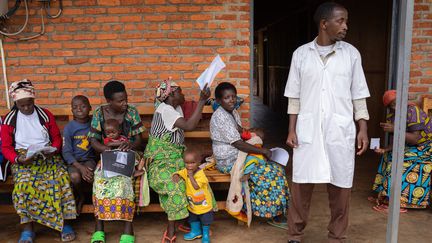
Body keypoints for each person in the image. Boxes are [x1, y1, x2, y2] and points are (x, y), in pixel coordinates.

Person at [284, 2, 370, 242]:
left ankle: (337, 236)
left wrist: (362, 127)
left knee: (340, 184)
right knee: (302, 183)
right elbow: (294, 95)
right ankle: (295, 234)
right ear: (324, 24)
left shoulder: (351, 54)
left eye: (346, 21)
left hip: (339, 129)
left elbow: (359, 94)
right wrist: (291, 129)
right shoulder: (301, 54)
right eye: (340, 21)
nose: (345, 26)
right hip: (307, 128)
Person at [1, 79, 76, 242]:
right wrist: (18, 158)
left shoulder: (45, 114)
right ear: (16, 103)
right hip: (23, 159)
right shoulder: (9, 120)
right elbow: (6, 147)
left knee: (61, 179)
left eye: (29, 104)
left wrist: (54, 149)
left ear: (34, 100)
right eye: (22, 105)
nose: (27, 108)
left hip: (47, 155)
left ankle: (65, 224)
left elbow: (56, 138)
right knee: (22, 185)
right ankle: (28, 229)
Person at [210, 82, 289, 228]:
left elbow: (239, 131)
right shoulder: (220, 116)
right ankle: (270, 213)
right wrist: (263, 151)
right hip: (228, 159)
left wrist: (252, 133)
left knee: (276, 170)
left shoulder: (232, 112)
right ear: (219, 101)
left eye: (233, 96)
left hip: (238, 155)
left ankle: (276, 211)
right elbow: (237, 143)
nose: (232, 100)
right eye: (227, 97)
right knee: (270, 172)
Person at [144, 79, 210, 243]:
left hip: (176, 159)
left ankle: (191, 221)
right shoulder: (166, 109)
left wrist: (206, 101)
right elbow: (188, 126)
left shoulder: (174, 107)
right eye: (180, 91)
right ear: (172, 94)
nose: (183, 94)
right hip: (160, 162)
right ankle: (172, 227)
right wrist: (202, 100)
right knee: (174, 182)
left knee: (197, 178)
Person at [88, 80, 145, 243]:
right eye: (120, 101)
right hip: (107, 155)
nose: (125, 103)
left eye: (125, 99)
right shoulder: (99, 113)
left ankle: (128, 230)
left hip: (129, 154)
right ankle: (99, 230)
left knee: (124, 180)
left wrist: (129, 144)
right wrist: (108, 150)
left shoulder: (131, 112)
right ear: (109, 101)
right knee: (99, 179)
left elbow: (139, 139)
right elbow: (93, 141)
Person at [371, 90, 432, 212]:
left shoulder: (412, 111)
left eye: (396, 103)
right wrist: (385, 149)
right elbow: (398, 138)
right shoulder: (393, 115)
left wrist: (395, 128)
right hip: (412, 147)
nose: (394, 107)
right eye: (391, 106)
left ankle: (398, 202)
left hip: (425, 148)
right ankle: (384, 195)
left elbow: (415, 139)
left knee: (398, 161)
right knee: (388, 156)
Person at [62, 95, 96, 214]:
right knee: (75, 177)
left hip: (89, 160)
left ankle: (96, 200)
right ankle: (81, 196)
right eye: (75, 107)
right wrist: (79, 167)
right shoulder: (69, 128)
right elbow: (66, 151)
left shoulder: (94, 124)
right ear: (72, 110)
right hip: (74, 162)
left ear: (90, 108)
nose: (79, 109)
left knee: (91, 174)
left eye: (83, 106)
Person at [172, 149, 214, 243]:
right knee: (193, 218)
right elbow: (179, 173)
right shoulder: (186, 171)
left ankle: (205, 234)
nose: (189, 166)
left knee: (205, 220)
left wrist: (190, 176)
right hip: (192, 203)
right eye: (187, 163)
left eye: (192, 163)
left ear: (199, 163)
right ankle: (196, 231)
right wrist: (176, 175)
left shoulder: (200, 174)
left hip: (204, 205)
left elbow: (196, 187)